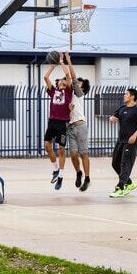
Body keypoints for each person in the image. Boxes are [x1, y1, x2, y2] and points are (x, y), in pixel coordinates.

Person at [108, 88, 137, 198]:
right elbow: (114, 116)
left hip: (131, 141)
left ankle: (120, 187)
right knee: (115, 163)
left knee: (125, 163)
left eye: (126, 94)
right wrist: (112, 118)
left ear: (132, 97)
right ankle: (129, 183)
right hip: (121, 140)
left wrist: (134, 135)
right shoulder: (122, 108)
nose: (124, 95)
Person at [44, 52, 73, 190]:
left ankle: (60, 177)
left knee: (61, 149)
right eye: (60, 79)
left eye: (64, 79)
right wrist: (53, 66)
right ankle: (55, 169)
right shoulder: (53, 91)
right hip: (52, 121)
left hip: (63, 123)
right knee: (47, 146)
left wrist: (62, 62)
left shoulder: (68, 91)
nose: (62, 80)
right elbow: (45, 77)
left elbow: (68, 75)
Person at [64, 51, 91, 192]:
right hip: (71, 127)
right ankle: (78, 173)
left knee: (83, 154)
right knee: (73, 154)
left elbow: (72, 77)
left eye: (78, 83)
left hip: (80, 126)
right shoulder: (69, 96)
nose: (76, 83)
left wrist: (68, 61)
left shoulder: (79, 94)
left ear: (82, 87)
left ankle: (87, 178)